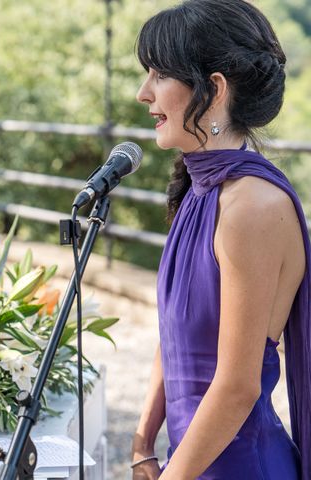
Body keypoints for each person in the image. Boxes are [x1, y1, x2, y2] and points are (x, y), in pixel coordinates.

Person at [130, 1, 309, 479]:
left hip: (240, 468)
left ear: (213, 89)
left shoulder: (252, 206)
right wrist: (143, 443)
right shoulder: (199, 190)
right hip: (192, 465)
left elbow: (236, 386)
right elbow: (174, 336)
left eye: (158, 74)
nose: (142, 93)